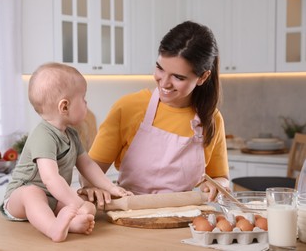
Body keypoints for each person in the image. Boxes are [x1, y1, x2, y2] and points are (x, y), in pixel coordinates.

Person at [78, 21, 229, 207]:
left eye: (178, 77)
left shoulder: (211, 119)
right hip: (129, 214)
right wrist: (93, 188)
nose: (164, 83)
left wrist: (217, 185)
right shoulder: (128, 107)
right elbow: (90, 173)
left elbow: (221, 178)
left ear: (203, 77)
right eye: (160, 68)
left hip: (183, 220)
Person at [0, 62, 131, 242]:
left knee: (89, 208)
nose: (86, 103)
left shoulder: (72, 135)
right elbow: (50, 179)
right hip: (19, 200)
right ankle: (53, 228)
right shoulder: (43, 135)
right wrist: (75, 204)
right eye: (83, 99)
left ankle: (70, 224)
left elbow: (88, 165)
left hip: (51, 199)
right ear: (64, 107)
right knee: (33, 193)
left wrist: (110, 187)